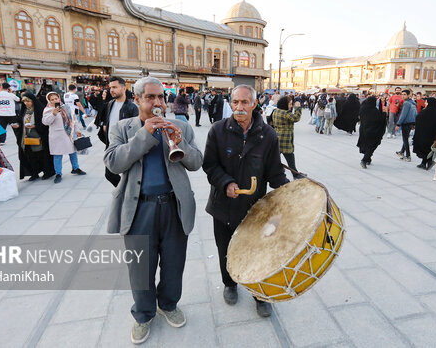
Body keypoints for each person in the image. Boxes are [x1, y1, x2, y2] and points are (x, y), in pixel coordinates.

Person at [103, 77, 202, 344]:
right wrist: (145, 135)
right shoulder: (123, 128)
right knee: (140, 268)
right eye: (151, 97)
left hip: (174, 205)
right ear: (137, 100)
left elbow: (196, 163)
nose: (158, 103)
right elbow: (113, 163)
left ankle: (168, 304)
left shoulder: (180, 125)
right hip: (139, 209)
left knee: (174, 263)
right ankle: (144, 314)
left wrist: (182, 143)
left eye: (161, 97)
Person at [203, 84, 289, 318]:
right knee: (226, 249)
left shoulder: (268, 135)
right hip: (223, 205)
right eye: (235, 102)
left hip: (255, 210)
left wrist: (290, 193)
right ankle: (230, 284)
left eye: (244, 102)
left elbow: (274, 173)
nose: (239, 107)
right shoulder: (218, 130)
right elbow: (209, 165)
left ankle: (259, 294)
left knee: (258, 252)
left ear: (254, 104)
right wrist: (226, 182)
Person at [100, 76, 139, 187]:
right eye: (110, 87)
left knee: (129, 174)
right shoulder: (110, 104)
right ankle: (123, 190)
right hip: (111, 145)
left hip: (125, 147)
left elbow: (136, 129)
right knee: (109, 174)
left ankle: (127, 194)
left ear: (123, 88)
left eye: (115, 87)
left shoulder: (132, 107)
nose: (111, 90)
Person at [42, 92, 86, 184]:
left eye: (56, 99)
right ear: (49, 101)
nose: (55, 101)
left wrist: (77, 130)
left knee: (73, 152)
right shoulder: (47, 109)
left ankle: (75, 168)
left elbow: (74, 120)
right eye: (52, 99)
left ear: (59, 99)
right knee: (57, 155)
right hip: (56, 136)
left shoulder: (67, 108)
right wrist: (53, 114)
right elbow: (45, 122)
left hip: (69, 134)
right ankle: (58, 173)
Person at [14, 92, 55, 181]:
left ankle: (47, 172)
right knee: (31, 156)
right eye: (24, 101)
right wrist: (18, 125)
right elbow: (20, 121)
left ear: (33, 101)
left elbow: (45, 123)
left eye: (28, 101)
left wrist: (35, 126)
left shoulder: (40, 110)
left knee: (42, 155)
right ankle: (34, 173)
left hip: (39, 137)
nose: (26, 103)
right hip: (27, 137)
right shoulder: (24, 110)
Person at [273, 96, 304, 179]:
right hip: (285, 140)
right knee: (290, 158)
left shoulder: (276, 111)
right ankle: (295, 174)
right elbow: (296, 118)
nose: (291, 106)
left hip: (277, 137)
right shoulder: (285, 113)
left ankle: (295, 173)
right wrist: (297, 108)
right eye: (290, 104)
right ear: (284, 104)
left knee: (275, 158)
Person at [357, 95, 386, 168]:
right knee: (372, 146)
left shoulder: (363, 108)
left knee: (366, 145)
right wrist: (384, 113)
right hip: (373, 132)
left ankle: (368, 159)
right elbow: (380, 120)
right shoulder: (374, 111)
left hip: (363, 130)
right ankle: (364, 160)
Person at [413, 97, 436, 170]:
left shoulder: (425, 112)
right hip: (434, 134)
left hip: (424, 134)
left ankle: (425, 163)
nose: (425, 103)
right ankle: (427, 162)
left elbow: (418, 119)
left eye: (426, 102)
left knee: (424, 148)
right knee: (430, 148)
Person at [395, 90, 417, 162]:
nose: (403, 96)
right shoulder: (413, 103)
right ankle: (402, 152)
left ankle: (408, 156)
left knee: (405, 139)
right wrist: (414, 123)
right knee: (406, 137)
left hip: (406, 123)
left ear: (408, 95)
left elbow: (403, 115)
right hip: (411, 122)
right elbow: (415, 114)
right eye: (402, 94)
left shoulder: (406, 103)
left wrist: (398, 124)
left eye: (404, 94)